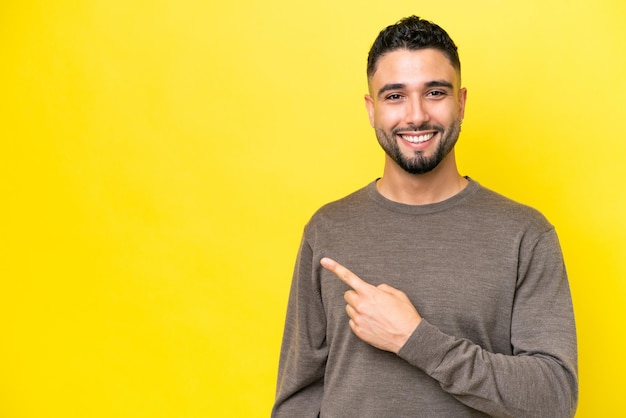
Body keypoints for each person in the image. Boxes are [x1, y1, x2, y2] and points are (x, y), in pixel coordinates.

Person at [272, 15, 577, 418]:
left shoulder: (525, 234)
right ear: (371, 109)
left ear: (462, 102)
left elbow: (553, 399)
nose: (416, 116)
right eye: (394, 96)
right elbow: (298, 397)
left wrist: (414, 339)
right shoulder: (328, 230)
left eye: (435, 92)